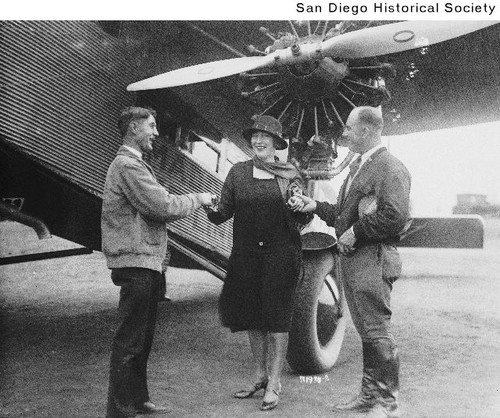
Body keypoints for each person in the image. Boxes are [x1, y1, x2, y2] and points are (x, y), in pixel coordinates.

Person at [289, 106, 411, 418]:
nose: (343, 134)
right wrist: (315, 205)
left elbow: (395, 216)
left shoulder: (389, 167)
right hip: (359, 260)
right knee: (369, 332)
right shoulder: (362, 166)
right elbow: (344, 216)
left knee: (376, 331)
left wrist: (357, 231)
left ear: (367, 131)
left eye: (349, 128)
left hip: (373, 258)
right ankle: (369, 398)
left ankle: (388, 405)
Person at [101, 106, 214, 417]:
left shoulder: (134, 165)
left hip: (146, 262)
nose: (155, 132)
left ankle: (138, 401)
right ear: (134, 129)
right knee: (130, 340)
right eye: (151, 126)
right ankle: (121, 411)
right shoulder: (127, 165)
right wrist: (199, 199)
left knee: (142, 338)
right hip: (136, 264)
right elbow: (161, 205)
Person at [206, 115, 310, 411]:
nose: (259, 140)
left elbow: (304, 213)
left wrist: (298, 206)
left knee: (277, 320)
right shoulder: (238, 172)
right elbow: (223, 210)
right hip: (247, 255)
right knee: (253, 317)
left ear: (277, 143)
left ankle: (274, 383)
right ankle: (260, 376)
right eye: (255, 136)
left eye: (265, 136)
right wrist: (208, 207)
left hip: (281, 254)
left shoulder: (290, 174)